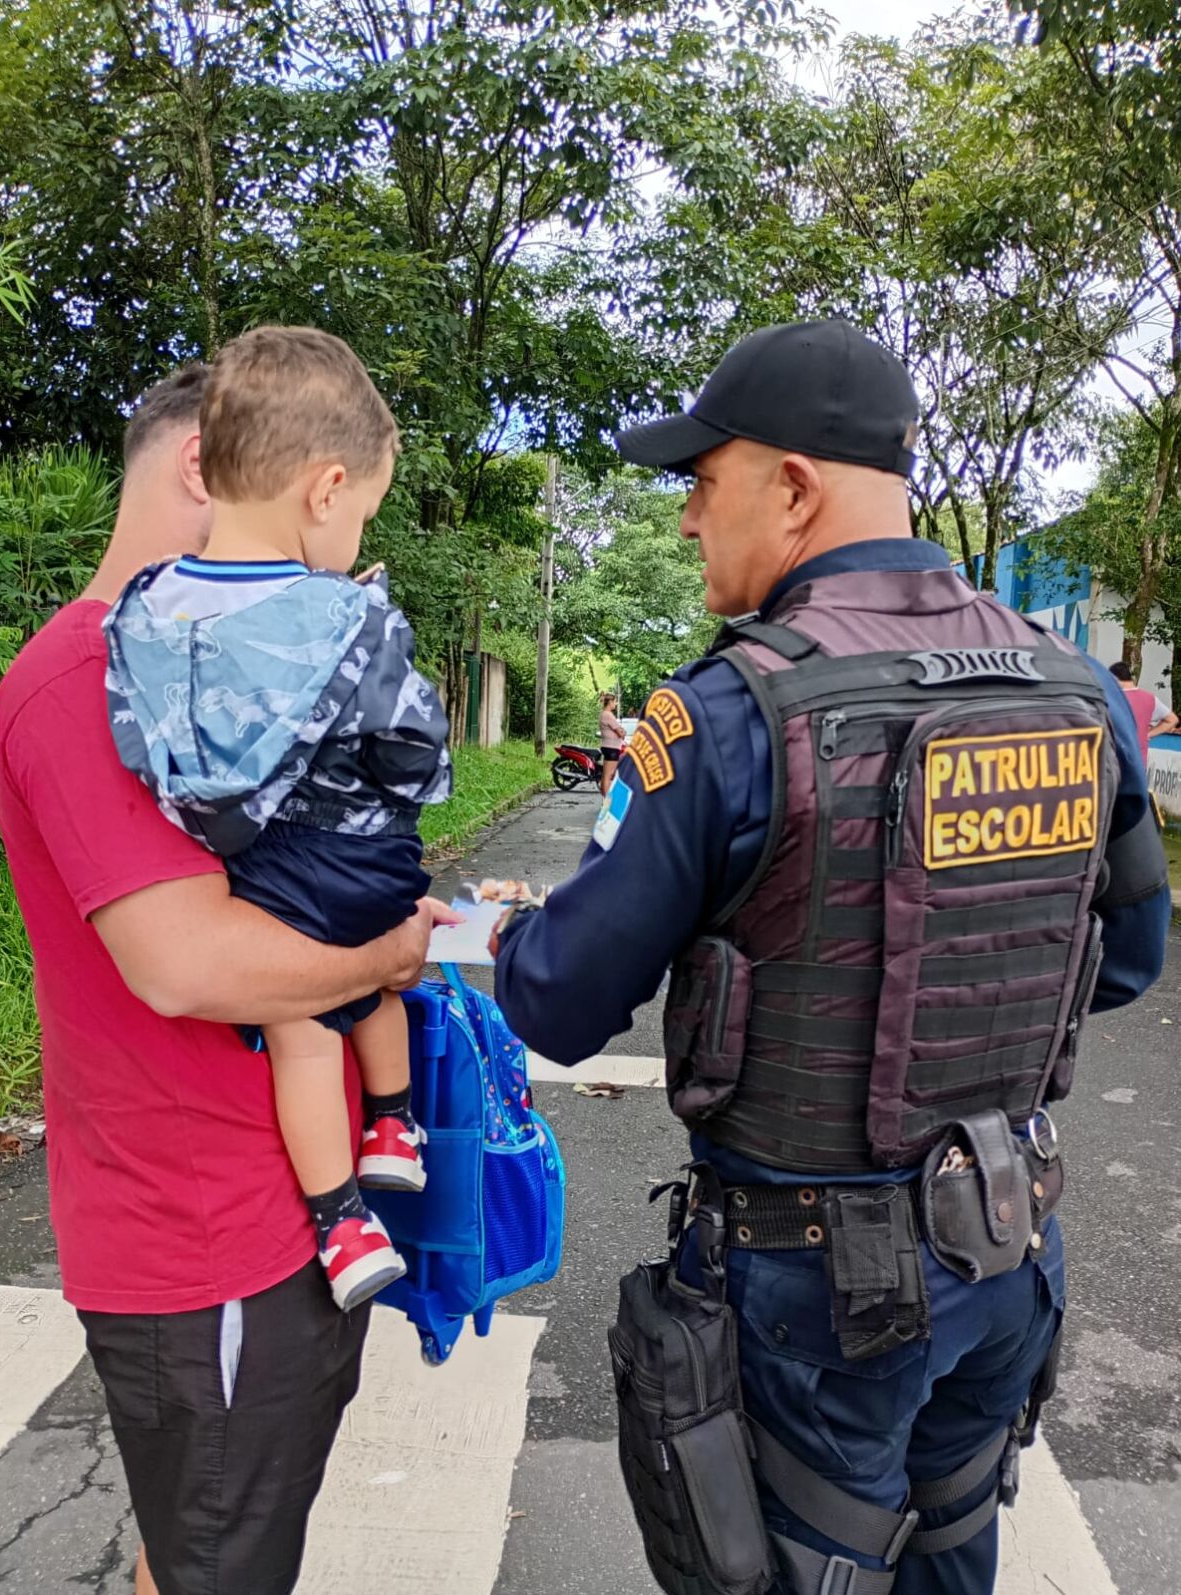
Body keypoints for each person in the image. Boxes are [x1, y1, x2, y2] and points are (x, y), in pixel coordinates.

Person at [493, 320, 1171, 1595]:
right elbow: (1129, 959)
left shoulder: (729, 713)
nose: (689, 518)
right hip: (1007, 1245)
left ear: (795, 486)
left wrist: (522, 927)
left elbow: (558, 999)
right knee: (953, 1543)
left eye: (705, 481)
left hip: (817, 1296)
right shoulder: (1075, 688)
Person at [0, 363, 457, 1595]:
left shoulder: (220, 666)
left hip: (267, 1224)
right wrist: (387, 955)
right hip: (211, 1247)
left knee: (204, 1552)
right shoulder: (90, 675)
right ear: (208, 464)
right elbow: (188, 963)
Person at [104, 326, 452, 1315]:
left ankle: (341, 1221)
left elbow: (135, 735)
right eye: (364, 512)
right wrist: (409, 788)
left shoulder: (142, 611)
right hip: (355, 854)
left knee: (299, 1031)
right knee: (377, 963)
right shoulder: (352, 615)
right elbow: (412, 743)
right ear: (326, 490)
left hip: (253, 872)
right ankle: (393, 1124)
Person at [1109, 660, 1179, 764]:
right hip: (1139, 761)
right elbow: (1172, 719)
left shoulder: (1112, 698)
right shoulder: (1150, 699)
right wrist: (1148, 735)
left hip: (1114, 760)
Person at [599, 691, 625, 795]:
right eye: (614, 702)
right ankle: (607, 799)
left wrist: (621, 731)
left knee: (606, 775)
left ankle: (605, 797)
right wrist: (622, 732)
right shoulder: (608, 715)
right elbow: (620, 732)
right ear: (610, 702)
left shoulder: (604, 714)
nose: (615, 704)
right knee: (608, 776)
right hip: (612, 747)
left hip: (608, 746)